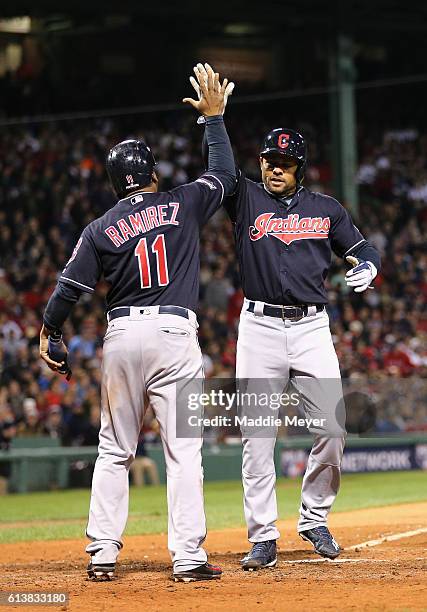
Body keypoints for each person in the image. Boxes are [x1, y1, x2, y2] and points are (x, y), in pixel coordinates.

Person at [39, 67, 236, 583]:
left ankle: (102, 554)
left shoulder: (100, 227)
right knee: (183, 450)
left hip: (123, 335)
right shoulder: (183, 201)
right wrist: (213, 120)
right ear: (152, 173)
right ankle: (189, 559)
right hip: (174, 335)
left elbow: (68, 291)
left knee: (114, 447)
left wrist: (50, 331)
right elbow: (225, 175)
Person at [190, 63, 380, 569]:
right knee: (255, 433)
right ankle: (262, 536)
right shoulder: (246, 197)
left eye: (284, 161)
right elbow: (224, 170)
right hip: (258, 326)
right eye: (269, 159)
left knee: (333, 426)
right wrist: (215, 122)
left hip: (312, 325)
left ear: (301, 166)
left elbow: (362, 248)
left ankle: (314, 517)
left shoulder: (327, 208)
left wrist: (370, 267)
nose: (274, 166)